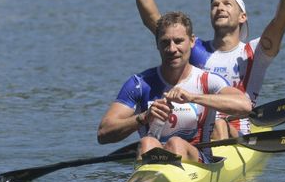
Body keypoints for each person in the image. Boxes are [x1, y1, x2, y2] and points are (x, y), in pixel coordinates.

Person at [124, 0, 285, 138]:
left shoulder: (254, 52)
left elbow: (281, 21)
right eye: (215, 5)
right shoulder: (194, 49)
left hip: (235, 129)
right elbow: (153, 20)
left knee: (220, 124)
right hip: (196, 129)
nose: (220, 7)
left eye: (227, 4)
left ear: (242, 16)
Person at [97, 12, 252, 163]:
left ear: (191, 41)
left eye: (178, 41)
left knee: (175, 143)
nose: (172, 49)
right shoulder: (139, 84)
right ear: (156, 43)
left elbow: (245, 106)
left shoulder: (207, 80)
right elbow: (103, 133)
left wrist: (192, 98)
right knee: (147, 144)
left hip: (200, 161)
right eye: (165, 42)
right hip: (153, 157)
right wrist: (144, 117)